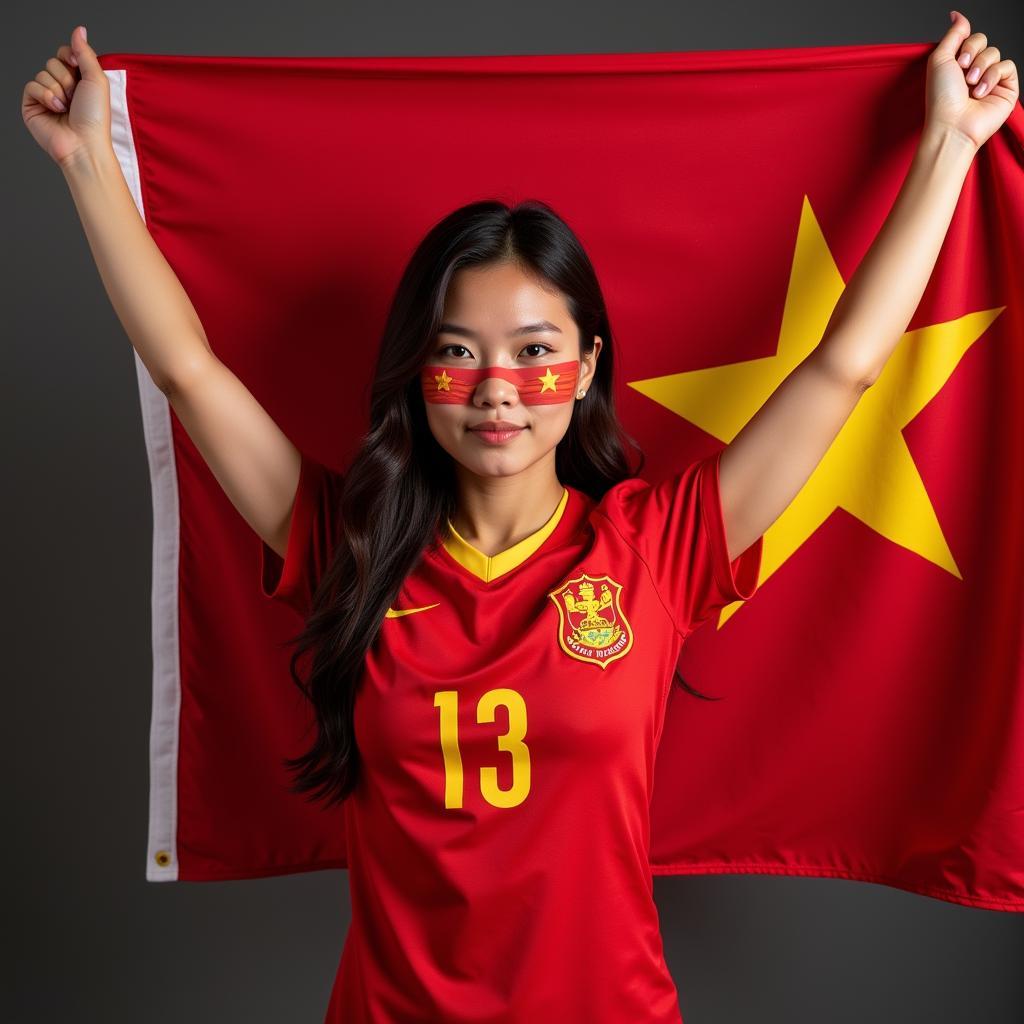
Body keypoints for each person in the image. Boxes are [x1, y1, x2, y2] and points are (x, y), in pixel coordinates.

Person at [21, 15, 1018, 1024]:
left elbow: (841, 368)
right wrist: (84, 164)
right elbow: (189, 374)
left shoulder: (655, 548)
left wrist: (950, 143)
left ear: (585, 369)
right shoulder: (347, 547)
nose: (498, 389)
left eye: (536, 351)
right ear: (418, 373)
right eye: (458, 353)